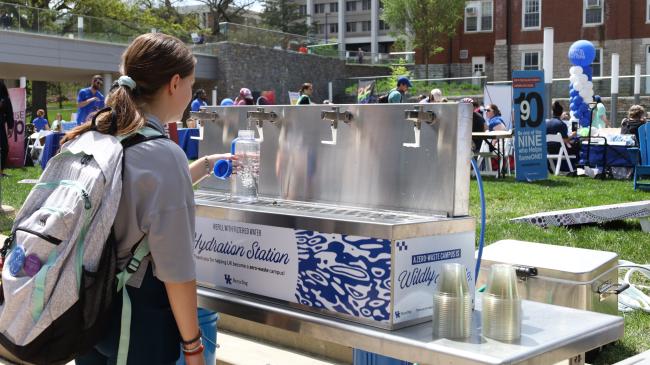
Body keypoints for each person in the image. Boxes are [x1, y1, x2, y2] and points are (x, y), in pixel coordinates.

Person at [70, 33, 235, 365]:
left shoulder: (96, 134)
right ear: (174, 84)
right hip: (135, 316)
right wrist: (193, 347)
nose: (191, 94)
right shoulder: (162, 155)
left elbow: (128, 192)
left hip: (84, 307)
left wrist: (201, 167)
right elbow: (176, 270)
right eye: (191, 84)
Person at [0, 80, 14, 176]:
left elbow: (9, 113)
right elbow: (9, 113)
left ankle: (0, 171)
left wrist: (10, 127)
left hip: (0, 126)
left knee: (4, 147)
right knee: (4, 147)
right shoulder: (5, 99)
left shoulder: (5, 99)